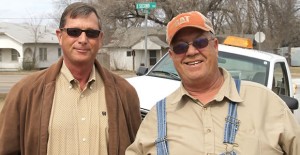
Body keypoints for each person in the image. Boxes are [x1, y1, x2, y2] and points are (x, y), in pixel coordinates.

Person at [126, 11, 300, 154]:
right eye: (180, 47)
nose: (191, 51)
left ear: (215, 46)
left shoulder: (265, 102)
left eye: (200, 42)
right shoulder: (157, 117)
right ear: (172, 56)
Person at [0, 2, 141, 155]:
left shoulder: (124, 93)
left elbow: (137, 148)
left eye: (91, 33)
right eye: (74, 32)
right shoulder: (25, 92)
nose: (82, 39)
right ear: (60, 36)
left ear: (100, 39)